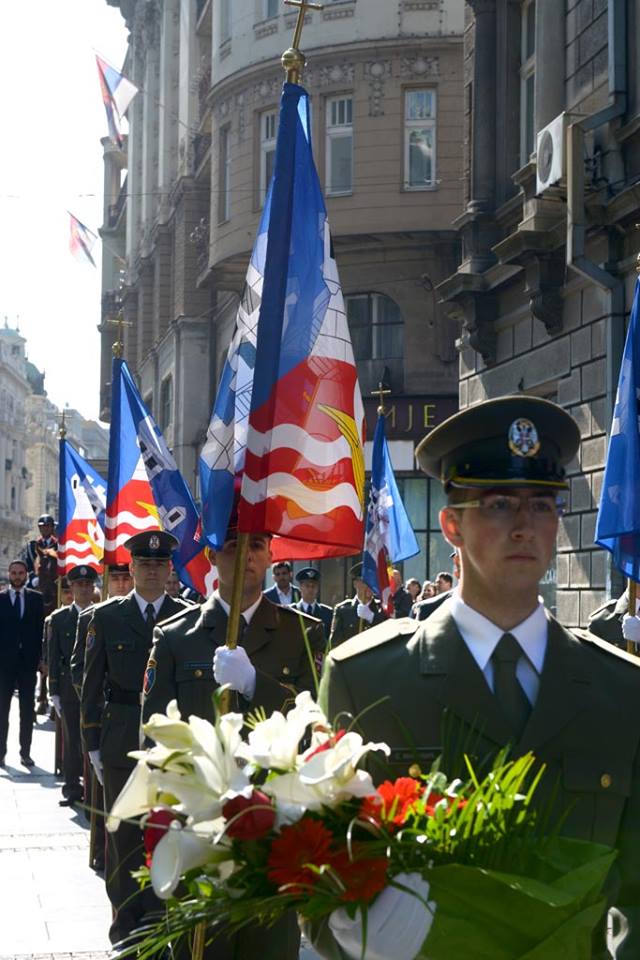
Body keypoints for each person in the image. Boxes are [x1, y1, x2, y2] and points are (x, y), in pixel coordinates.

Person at [316, 395, 640, 960]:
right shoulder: (366, 680)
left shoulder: (621, 688)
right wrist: (363, 934)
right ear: (451, 526)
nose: (524, 526)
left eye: (542, 505)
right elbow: (317, 879)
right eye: (496, 504)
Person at [141, 526, 325, 960]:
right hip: (202, 828)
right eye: (231, 547)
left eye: (257, 545)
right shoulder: (175, 635)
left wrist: (254, 685)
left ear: (271, 554)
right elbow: (153, 735)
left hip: (274, 826)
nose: (246, 556)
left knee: (270, 947)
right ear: (210, 557)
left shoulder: (302, 633)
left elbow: (317, 720)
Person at [81, 532, 190, 946]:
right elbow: (90, 684)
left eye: (159, 565)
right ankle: (126, 924)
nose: (151, 570)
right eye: (143, 563)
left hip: (171, 740)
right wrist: (91, 743)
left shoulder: (187, 616)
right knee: (124, 835)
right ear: (130, 568)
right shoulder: (107, 617)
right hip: (121, 736)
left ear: (169, 571)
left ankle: (163, 918)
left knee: (168, 829)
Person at [70, 561, 133, 874]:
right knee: (101, 796)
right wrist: (98, 704)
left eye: (125, 578)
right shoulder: (92, 617)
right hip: (108, 716)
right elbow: (80, 670)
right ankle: (99, 849)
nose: (121, 584)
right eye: (116, 579)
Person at [48, 565, 98, 806]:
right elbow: (53, 656)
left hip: (96, 685)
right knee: (72, 740)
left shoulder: (103, 614)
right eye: (79, 585)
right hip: (69, 687)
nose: (84, 589)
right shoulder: (59, 618)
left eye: (88, 585)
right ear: (72, 588)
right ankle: (71, 788)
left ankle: (92, 789)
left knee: (93, 737)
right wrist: (53, 690)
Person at [0, 559, 45, 767]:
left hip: (28, 663)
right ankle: (1, 753)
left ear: (26, 575)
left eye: (20, 573)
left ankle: (25, 753)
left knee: (27, 711)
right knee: (2, 710)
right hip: (4, 664)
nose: (17, 576)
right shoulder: (0, 599)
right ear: (9, 575)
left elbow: (40, 632)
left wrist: (41, 660)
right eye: (14, 573)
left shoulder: (36, 599)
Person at [328, 562, 387, 649]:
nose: (369, 586)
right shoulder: (343, 610)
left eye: (372, 581)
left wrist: (372, 617)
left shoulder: (382, 608)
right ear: (355, 584)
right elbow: (335, 643)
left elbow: (388, 635)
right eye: (365, 582)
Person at [412, 555, 459, 622]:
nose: (437, 585)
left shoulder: (455, 599)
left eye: (440, 582)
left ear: (448, 583)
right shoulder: (428, 603)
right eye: (436, 582)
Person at [291, 567, 333, 641]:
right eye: (307, 586)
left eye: (313, 586)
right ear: (300, 587)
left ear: (317, 588)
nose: (310, 589)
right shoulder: (292, 611)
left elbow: (329, 638)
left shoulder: (327, 612)